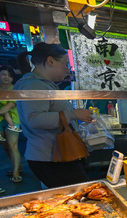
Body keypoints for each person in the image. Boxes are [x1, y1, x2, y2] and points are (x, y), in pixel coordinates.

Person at [14, 43, 94, 188]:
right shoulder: (33, 85)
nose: (67, 69)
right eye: (65, 64)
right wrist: (73, 114)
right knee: (80, 194)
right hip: (51, 157)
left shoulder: (43, 84)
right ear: (51, 61)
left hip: (55, 154)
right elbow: (35, 120)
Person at [0, 66, 24, 183]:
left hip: (13, 119)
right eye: (4, 74)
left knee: (13, 146)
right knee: (5, 146)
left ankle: (16, 172)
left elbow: (11, 104)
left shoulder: (15, 88)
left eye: (10, 76)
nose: (7, 77)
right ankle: (17, 167)